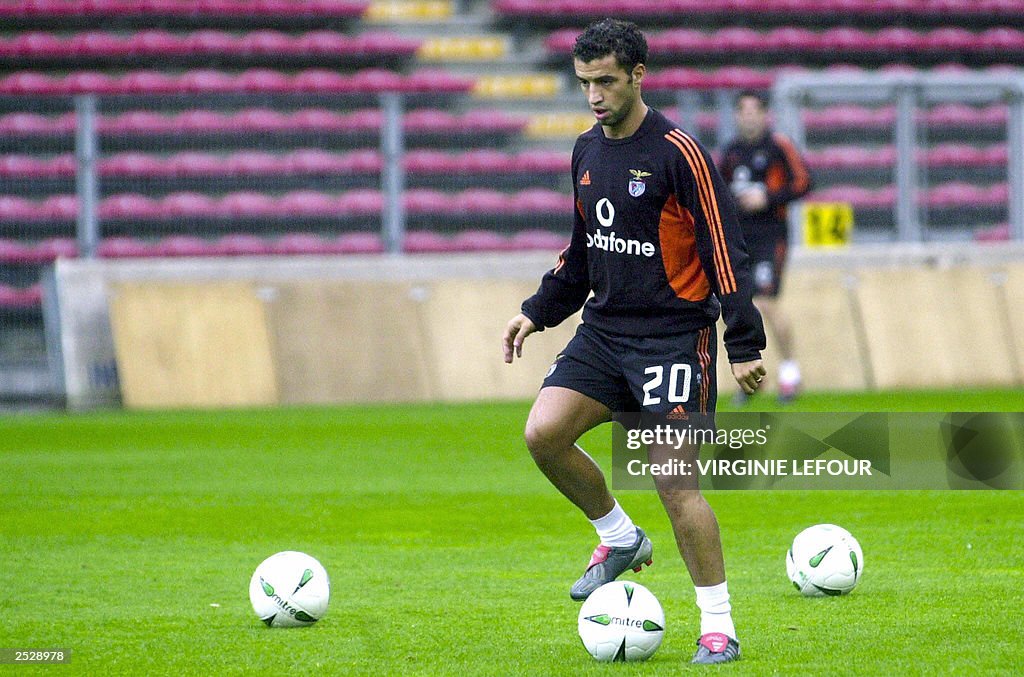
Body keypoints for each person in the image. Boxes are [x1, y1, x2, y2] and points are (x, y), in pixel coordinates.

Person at [501, 19, 766, 665]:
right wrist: (539, 310)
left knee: (675, 483)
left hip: (673, 337)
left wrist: (743, 341)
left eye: (606, 81)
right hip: (604, 328)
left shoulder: (679, 151)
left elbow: (723, 247)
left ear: (638, 75)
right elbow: (585, 245)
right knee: (543, 433)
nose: (594, 95)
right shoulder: (585, 150)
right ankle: (618, 536)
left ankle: (718, 626)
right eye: (585, 82)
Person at [719, 90, 812, 403]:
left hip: (772, 235)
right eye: (742, 110)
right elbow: (718, 193)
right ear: (736, 115)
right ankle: (753, 378)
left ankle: (790, 374)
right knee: (741, 307)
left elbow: (804, 182)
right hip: (740, 240)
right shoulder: (730, 152)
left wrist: (767, 198)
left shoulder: (778, 146)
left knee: (768, 303)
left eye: (754, 110)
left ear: (764, 114)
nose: (748, 116)